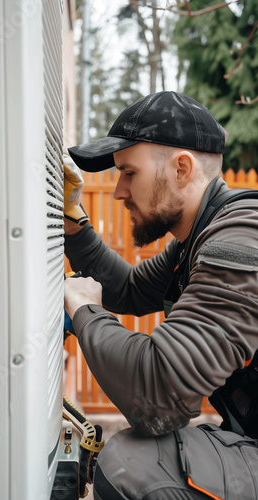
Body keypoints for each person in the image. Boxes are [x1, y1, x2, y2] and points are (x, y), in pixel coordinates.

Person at [63, 91, 258, 500]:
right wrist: (74, 223)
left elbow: (159, 396)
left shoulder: (243, 239)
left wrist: (85, 310)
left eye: (129, 173)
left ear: (182, 169)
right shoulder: (196, 240)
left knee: (130, 466)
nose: (118, 191)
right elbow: (130, 291)